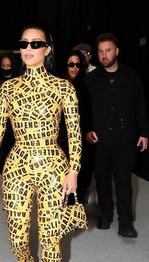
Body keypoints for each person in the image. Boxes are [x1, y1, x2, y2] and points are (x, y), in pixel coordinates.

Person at [0, 24, 84, 262]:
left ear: (47, 48)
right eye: (24, 43)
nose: (28, 48)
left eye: (35, 43)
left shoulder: (64, 87)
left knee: (51, 238)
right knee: (17, 239)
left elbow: (75, 135)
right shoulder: (9, 89)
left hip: (54, 165)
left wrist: (74, 170)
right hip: (17, 166)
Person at [84, 32, 149, 238]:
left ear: (117, 51)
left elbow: (140, 106)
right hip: (100, 141)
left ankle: (126, 222)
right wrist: (87, 131)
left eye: (108, 50)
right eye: (101, 51)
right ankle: (106, 213)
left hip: (125, 139)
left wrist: (144, 132)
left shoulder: (132, 76)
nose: (104, 55)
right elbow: (83, 110)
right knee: (102, 179)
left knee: (123, 180)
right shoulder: (90, 80)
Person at [58, 49, 94, 204]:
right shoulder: (56, 86)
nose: (74, 68)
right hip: (59, 139)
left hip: (78, 139)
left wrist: (87, 131)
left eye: (77, 65)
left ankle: (74, 207)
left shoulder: (83, 88)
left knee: (80, 174)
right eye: (71, 64)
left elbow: (87, 115)